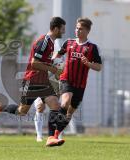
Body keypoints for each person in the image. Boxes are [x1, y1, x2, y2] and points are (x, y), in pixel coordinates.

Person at [0, 17, 66, 146]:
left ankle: (51, 138)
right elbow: (34, 63)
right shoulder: (44, 42)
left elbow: (43, 61)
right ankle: (0, 107)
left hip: (43, 82)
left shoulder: (51, 43)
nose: (63, 32)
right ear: (56, 28)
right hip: (32, 81)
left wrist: (55, 65)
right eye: (62, 29)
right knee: (21, 112)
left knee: (55, 105)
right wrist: (53, 69)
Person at [47, 17, 102, 146]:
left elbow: (99, 67)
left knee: (69, 113)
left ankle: (55, 136)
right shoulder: (69, 43)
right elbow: (58, 55)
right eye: (76, 28)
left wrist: (88, 63)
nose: (77, 30)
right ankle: (51, 135)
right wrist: (51, 61)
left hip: (81, 85)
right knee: (65, 102)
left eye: (80, 29)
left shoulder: (92, 48)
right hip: (67, 79)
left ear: (87, 31)